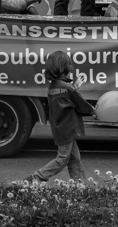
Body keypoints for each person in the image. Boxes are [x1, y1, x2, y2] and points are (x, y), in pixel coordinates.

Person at [26, 49, 95, 184]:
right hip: (67, 129)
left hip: (60, 128)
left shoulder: (53, 87)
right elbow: (80, 104)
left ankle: (79, 185)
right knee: (62, 159)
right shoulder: (67, 88)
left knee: (75, 158)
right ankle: (36, 177)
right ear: (64, 67)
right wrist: (94, 111)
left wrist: (74, 86)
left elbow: (65, 98)